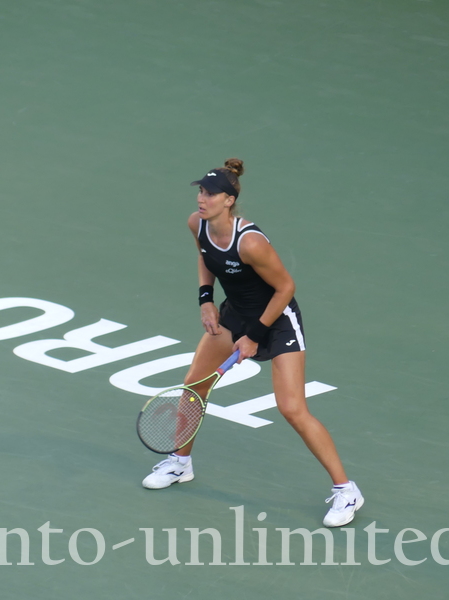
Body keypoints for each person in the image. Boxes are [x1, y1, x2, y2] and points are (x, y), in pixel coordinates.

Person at [141, 158, 364, 527]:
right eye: (200, 191)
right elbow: (205, 256)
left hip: (276, 321)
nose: (202, 198)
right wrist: (205, 299)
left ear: (228, 200)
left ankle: (346, 490)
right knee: (194, 388)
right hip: (235, 314)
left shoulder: (252, 243)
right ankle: (180, 464)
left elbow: (286, 287)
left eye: (211, 193)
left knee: (292, 408)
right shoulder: (197, 223)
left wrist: (254, 337)